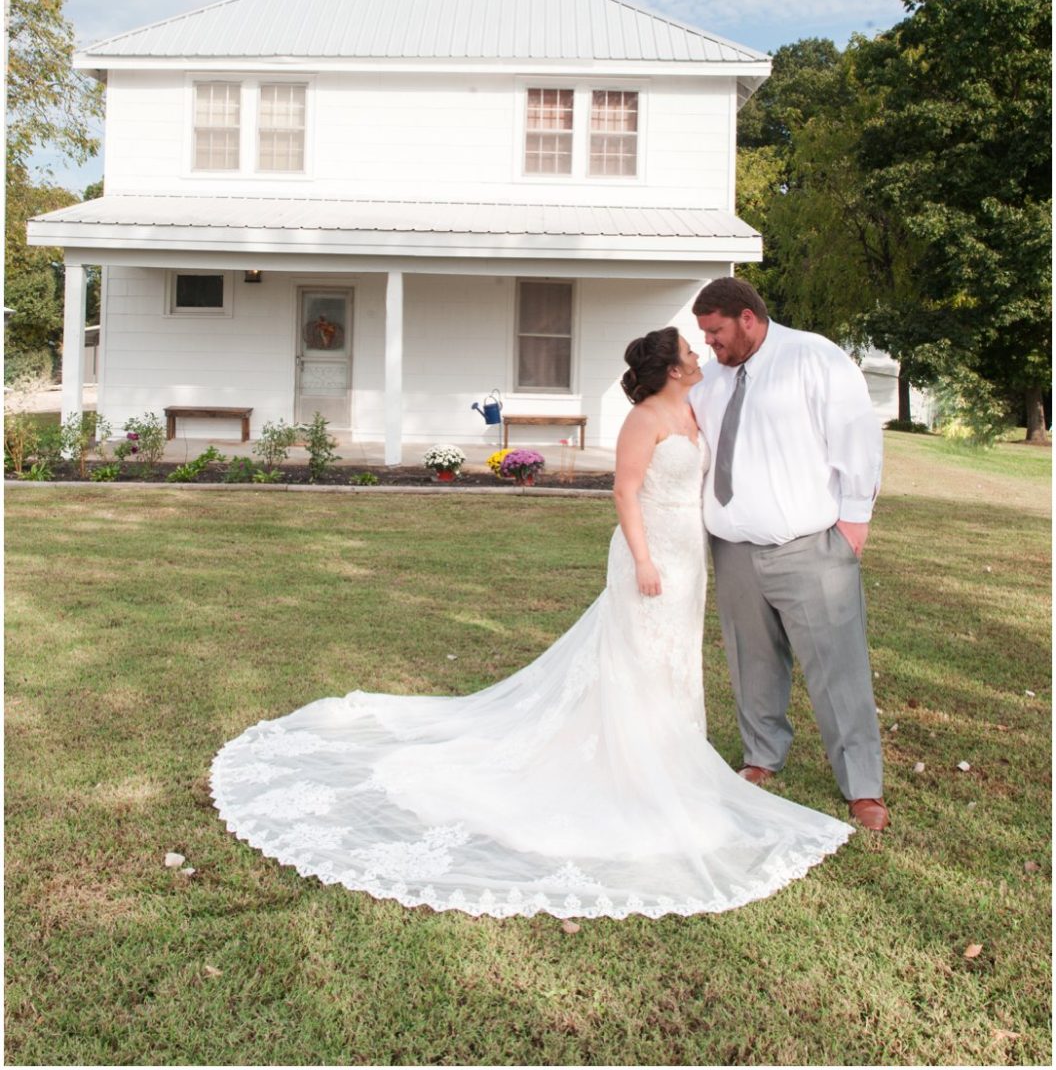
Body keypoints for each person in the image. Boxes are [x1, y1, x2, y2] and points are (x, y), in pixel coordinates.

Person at [212, 327, 851, 919]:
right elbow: (626, 492)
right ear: (670, 368)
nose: (700, 354)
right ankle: (634, 764)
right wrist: (644, 559)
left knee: (674, 657)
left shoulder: (693, 407)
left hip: (690, 558)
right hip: (651, 553)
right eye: (690, 349)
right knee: (638, 654)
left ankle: (669, 750)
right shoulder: (645, 418)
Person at [689, 277, 888, 831]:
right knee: (751, 663)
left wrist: (853, 522)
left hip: (810, 549)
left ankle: (862, 786)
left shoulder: (814, 357)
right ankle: (761, 756)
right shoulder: (707, 382)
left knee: (837, 669)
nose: (709, 343)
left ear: (747, 318)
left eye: (716, 332)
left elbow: (856, 438)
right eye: (704, 334)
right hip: (732, 552)